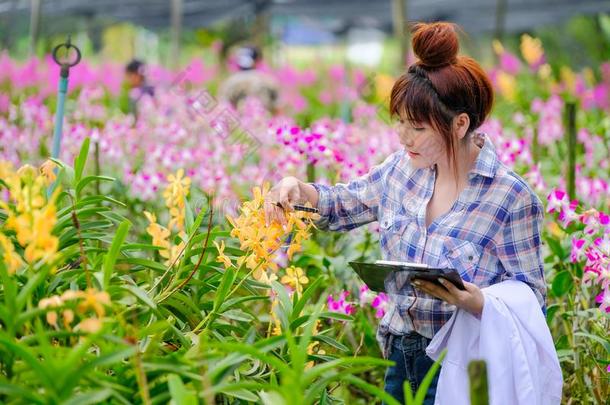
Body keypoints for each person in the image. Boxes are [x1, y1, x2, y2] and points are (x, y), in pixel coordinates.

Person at [263, 22, 546, 404]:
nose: (402, 136)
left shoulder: (510, 197)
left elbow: (531, 299)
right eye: (399, 122)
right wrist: (299, 190)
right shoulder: (400, 171)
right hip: (399, 354)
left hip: (461, 363)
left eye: (416, 127)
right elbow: (341, 205)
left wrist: (474, 301)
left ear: (460, 123)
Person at [217, 45, 279, 113]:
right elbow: (277, 109)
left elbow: (222, 108)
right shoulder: (268, 81)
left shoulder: (228, 83)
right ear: (258, 60)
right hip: (263, 121)